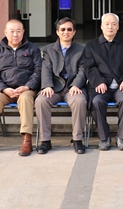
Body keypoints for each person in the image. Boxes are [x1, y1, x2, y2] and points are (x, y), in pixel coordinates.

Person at [0, 19, 42, 157]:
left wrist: (27, 86)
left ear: (23, 32)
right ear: (5, 32)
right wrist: (3, 88)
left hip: (26, 89)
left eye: (18, 31)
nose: (15, 34)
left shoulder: (33, 49)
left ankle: (26, 139)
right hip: (5, 90)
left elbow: (38, 72)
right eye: (12, 31)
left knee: (25, 99)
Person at [36, 17, 88, 155]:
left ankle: (77, 139)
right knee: (41, 101)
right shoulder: (48, 50)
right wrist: (47, 85)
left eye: (69, 29)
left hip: (73, 88)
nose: (66, 32)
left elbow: (83, 70)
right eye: (63, 29)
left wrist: (76, 85)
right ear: (57, 32)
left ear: (74, 32)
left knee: (80, 101)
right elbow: (46, 68)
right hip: (54, 88)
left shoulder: (81, 50)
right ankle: (45, 140)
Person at [83, 13, 123, 151]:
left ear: (118, 26)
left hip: (120, 87)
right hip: (100, 87)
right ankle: (104, 138)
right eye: (107, 24)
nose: (110, 27)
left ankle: (122, 137)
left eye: (113, 24)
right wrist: (98, 81)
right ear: (101, 26)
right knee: (96, 102)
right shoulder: (91, 46)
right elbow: (89, 67)